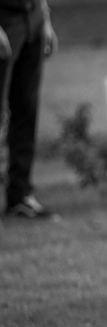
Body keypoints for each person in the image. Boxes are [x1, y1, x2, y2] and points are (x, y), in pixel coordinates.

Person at [1, 0, 57, 218]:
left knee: (26, 108)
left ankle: (20, 196)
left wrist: (44, 17)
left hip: (32, 14)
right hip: (4, 17)